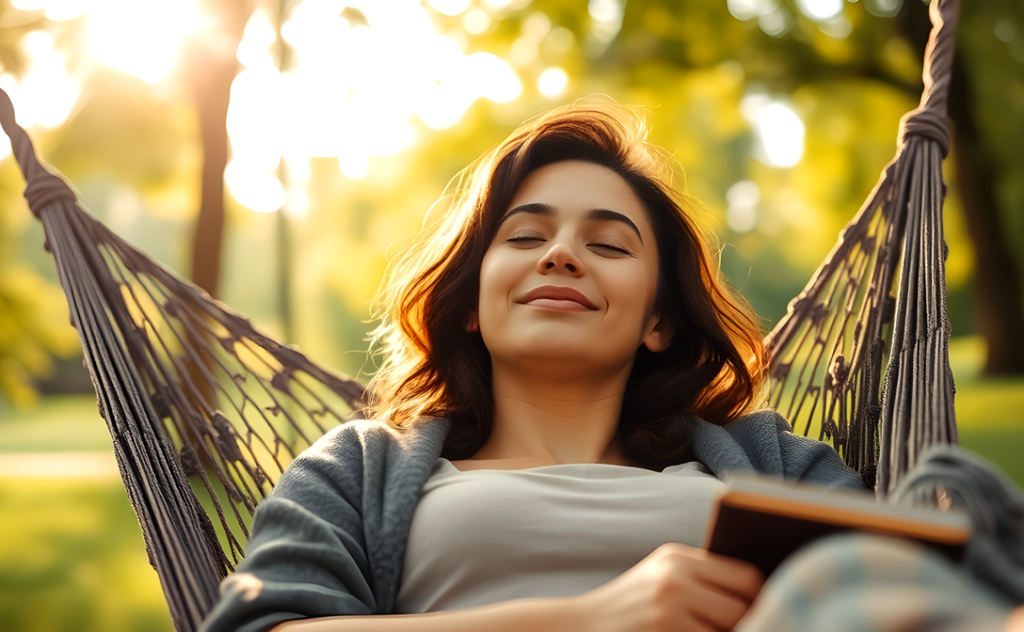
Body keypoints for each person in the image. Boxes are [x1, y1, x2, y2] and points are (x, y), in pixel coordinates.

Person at [200, 101, 1020, 632]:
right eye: (526, 236)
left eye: (607, 243)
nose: (560, 254)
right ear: (471, 305)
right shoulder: (361, 468)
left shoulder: (767, 461)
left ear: (659, 319)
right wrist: (590, 617)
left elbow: (895, 587)